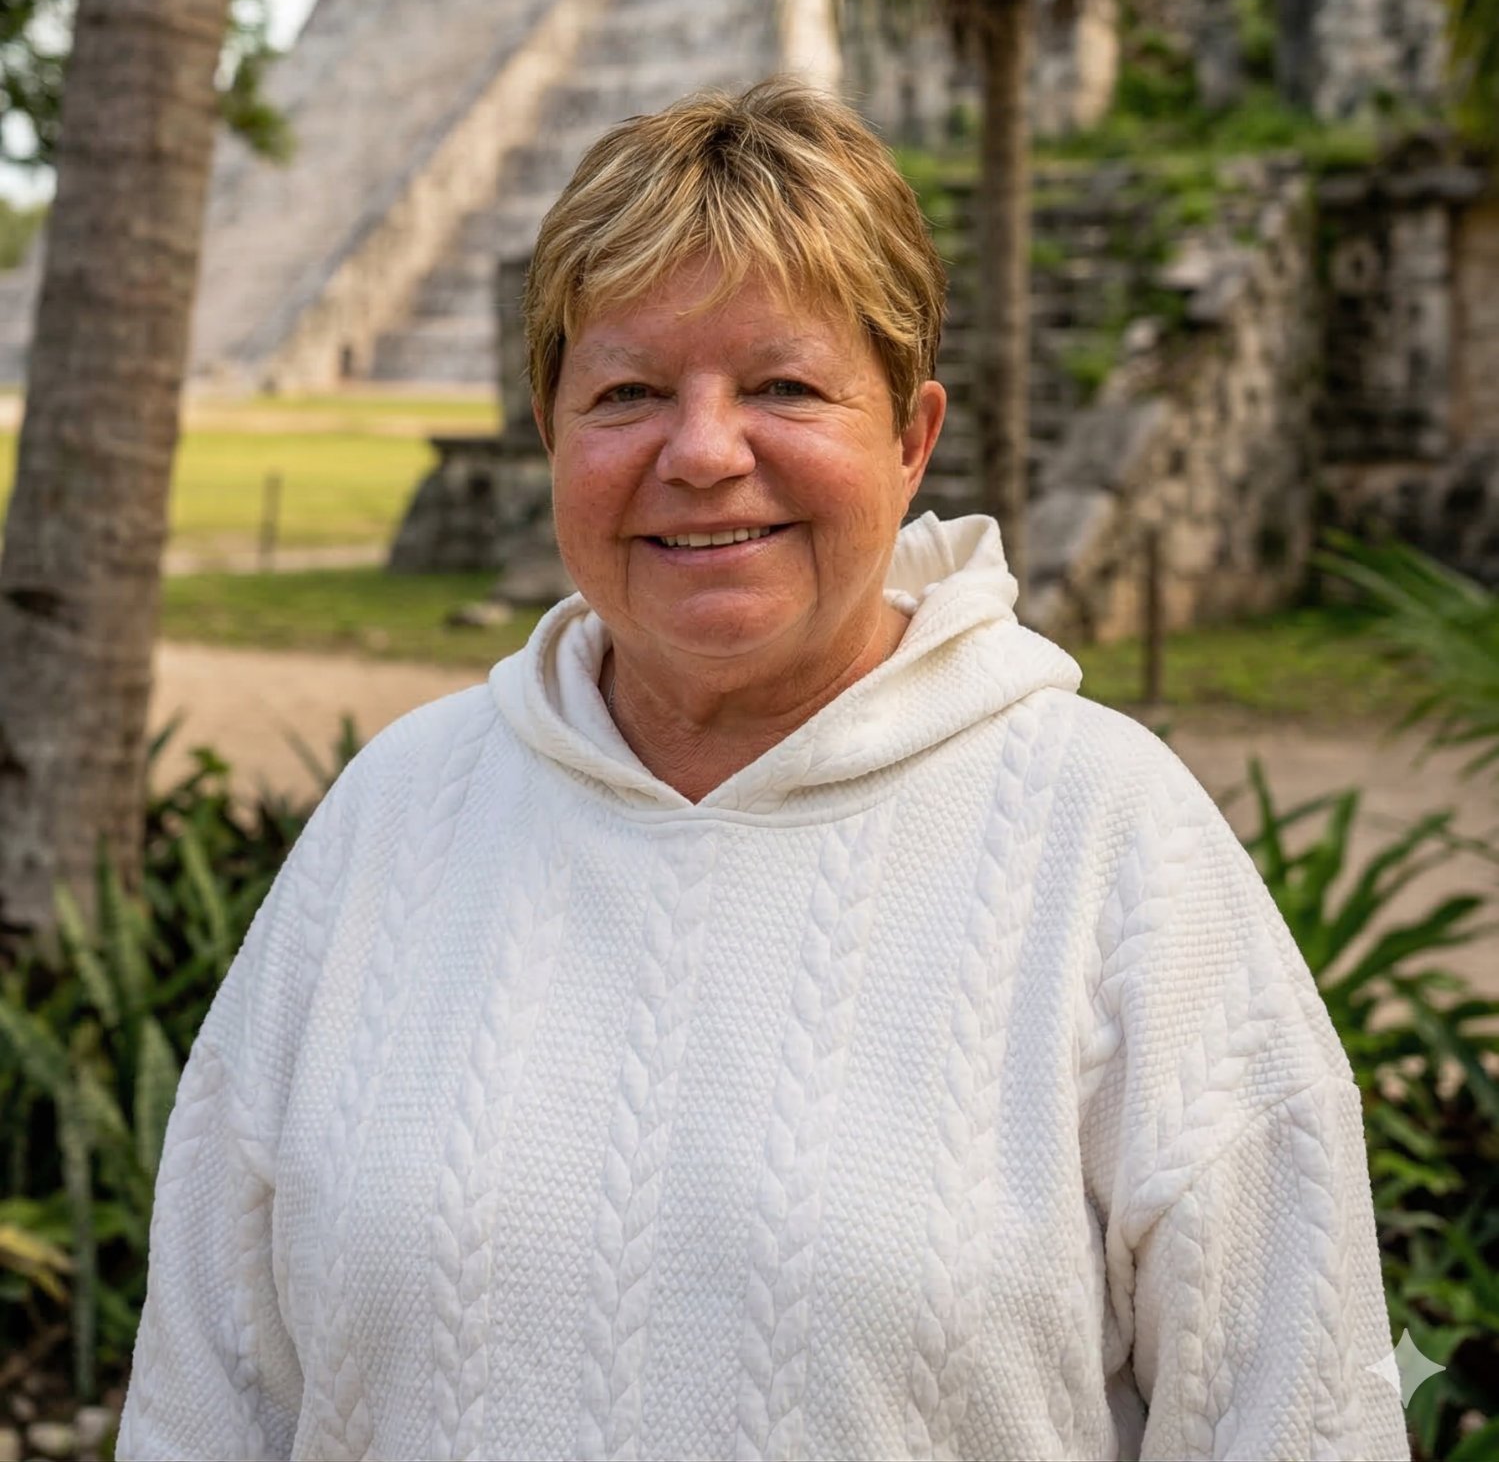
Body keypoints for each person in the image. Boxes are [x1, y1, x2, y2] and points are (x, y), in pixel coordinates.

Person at [118, 80, 1410, 1461]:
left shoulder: (1106, 838)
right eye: (627, 392)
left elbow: (1299, 1416)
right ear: (552, 434)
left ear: (911, 438)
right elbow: (212, 1391)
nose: (704, 453)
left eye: (785, 386)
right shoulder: (401, 815)